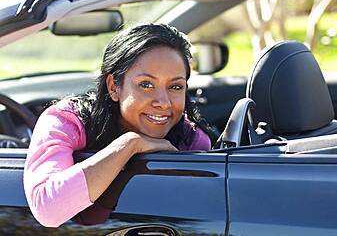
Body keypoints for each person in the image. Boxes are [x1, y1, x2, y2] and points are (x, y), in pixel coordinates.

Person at [23, 23, 212, 227]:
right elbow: (48, 209)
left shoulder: (190, 140)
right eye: (146, 85)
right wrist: (130, 145)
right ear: (114, 87)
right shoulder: (67, 121)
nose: (163, 102)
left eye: (175, 86)